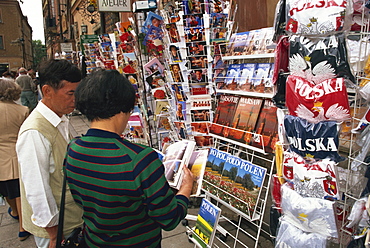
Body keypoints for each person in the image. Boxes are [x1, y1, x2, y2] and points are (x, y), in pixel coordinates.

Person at [64, 69, 194, 247]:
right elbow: (169, 219)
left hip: (93, 241)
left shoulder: (73, 148)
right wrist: (186, 189)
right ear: (123, 108)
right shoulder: (140, 159)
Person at [16, 59, 84, 248]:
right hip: (56, 230)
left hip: (70, 220)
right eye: (70, 93)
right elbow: (37, 189)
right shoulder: (35, 132)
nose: (75, 99)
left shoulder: (60, 118)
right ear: (47, 91)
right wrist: (54, 234)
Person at [0, 78, 30, 241]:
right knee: (19, 190)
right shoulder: (22, 110)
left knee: (5, 190)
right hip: (17, 153)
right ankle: (23, 226)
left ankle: (15, 212)